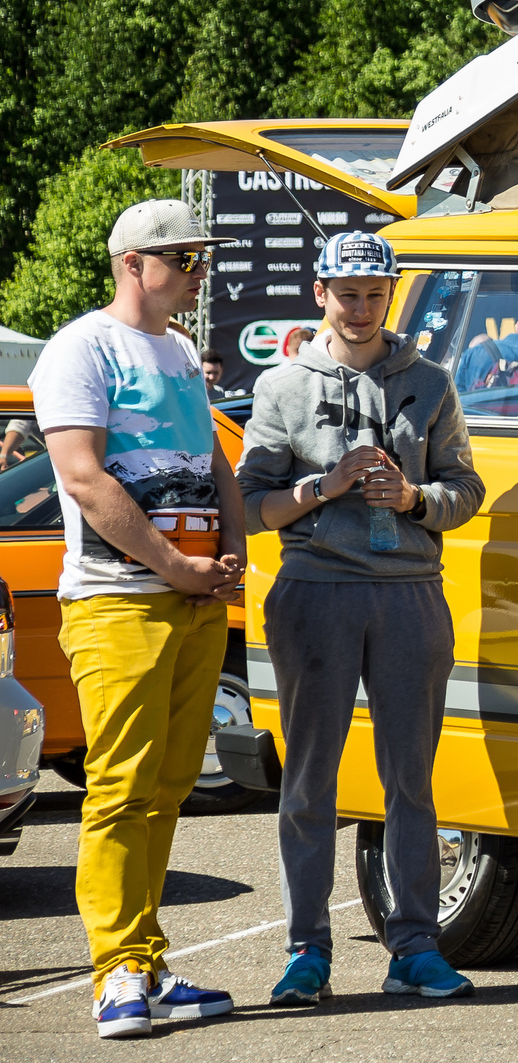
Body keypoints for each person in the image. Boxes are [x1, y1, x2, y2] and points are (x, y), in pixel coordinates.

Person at [237, 230, 485, 1005]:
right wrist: (325, 485)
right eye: (347, 293)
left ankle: (414, 946)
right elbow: (249, 505)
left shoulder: (432, 382)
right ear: (321, 293)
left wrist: (414, 498)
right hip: (315, 591)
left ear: (392, 294)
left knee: (411, 779)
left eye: (375, 293)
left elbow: (466, 490)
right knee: (310, 777)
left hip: (412, 592)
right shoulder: (281, 386)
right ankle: (306, 951)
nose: (361, 307)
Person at [29, 199, 244, 1038]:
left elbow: (212, 459)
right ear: (133, 263)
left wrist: (229, 551)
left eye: (201, 257)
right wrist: (176, 565)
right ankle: (116, 972)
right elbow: (83, 477)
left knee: (168, 787)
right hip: (116, 600)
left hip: (192, 600)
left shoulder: (181, 350)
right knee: (120, 787)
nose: (199, 271)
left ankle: (145, 964)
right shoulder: (80, 347)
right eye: (185, 258)